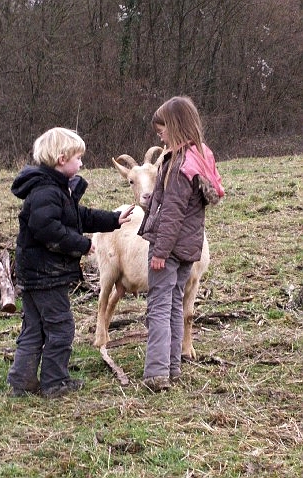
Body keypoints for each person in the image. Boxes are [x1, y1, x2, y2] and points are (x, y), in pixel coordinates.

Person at [7, 127, 134, 398]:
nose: (82, 163)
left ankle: (22, 380)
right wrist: (83, 244)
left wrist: (113, 220)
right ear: (62, 159)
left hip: (35, 274)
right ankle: (55, 382)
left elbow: (79, 216)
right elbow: (49, 231)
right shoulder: (46, 192)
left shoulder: (55, 189)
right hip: (45, 275)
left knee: (34, 327)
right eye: (79, 158)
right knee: (60, 326)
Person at [138, 96, 224, 392]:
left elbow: (172, 214)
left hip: (169, 249)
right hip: (189, 248)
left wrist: (160, 252)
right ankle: (172, 368)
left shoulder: (177, 165)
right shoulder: (199, 158)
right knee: (175, 304)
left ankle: (156, 373)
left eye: (161, 129)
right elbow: (187, 209)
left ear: (175, 127)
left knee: (159, 308)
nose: (159, 135)